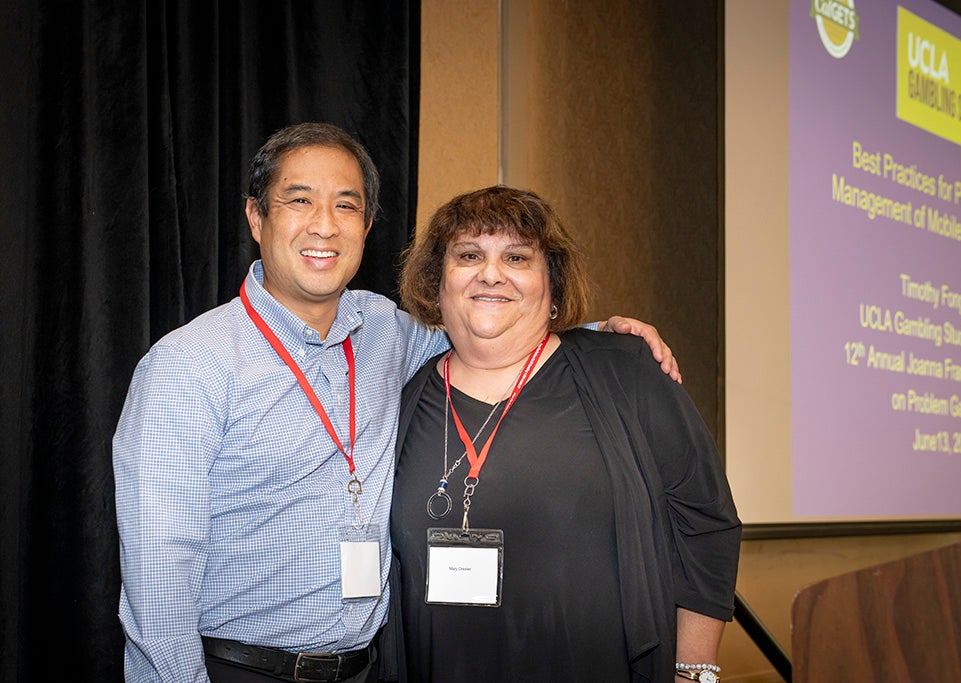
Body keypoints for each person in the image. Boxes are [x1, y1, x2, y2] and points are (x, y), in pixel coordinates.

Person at [113, 123, 679, 683]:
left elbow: (492, 326)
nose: (324, 226)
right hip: (242, 668)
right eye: (299, 200)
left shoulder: (387, 330)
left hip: (368, 669)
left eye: (346, 206)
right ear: (256, 218)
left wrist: (603, 334)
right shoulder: (188, 366)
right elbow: (158, 583)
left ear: (367, 226)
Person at [391, 186, 741, 683]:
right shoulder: (403, 398)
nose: (491, 273)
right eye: (469, 255)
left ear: (551, 283)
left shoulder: (626, 372)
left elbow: (706, 526)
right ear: (436, 280)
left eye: (517, 257)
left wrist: (692, 672)